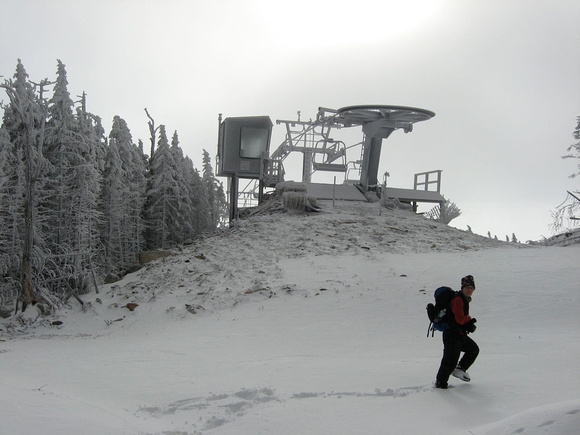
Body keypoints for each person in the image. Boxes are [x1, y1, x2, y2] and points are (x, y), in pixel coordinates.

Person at [435, 275, 479, 389]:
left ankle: (460, 369)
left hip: (459, 334)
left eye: (471, 288)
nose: (469, 290)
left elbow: (459, 319)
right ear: (462, 288)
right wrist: (468, 319)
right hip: (451, 335)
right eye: (467, 287)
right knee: (449, 362)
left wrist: (467, 324)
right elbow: (460, 319)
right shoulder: (458, 299)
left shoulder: (464, 299)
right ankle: (441, 385)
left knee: (473, 349)